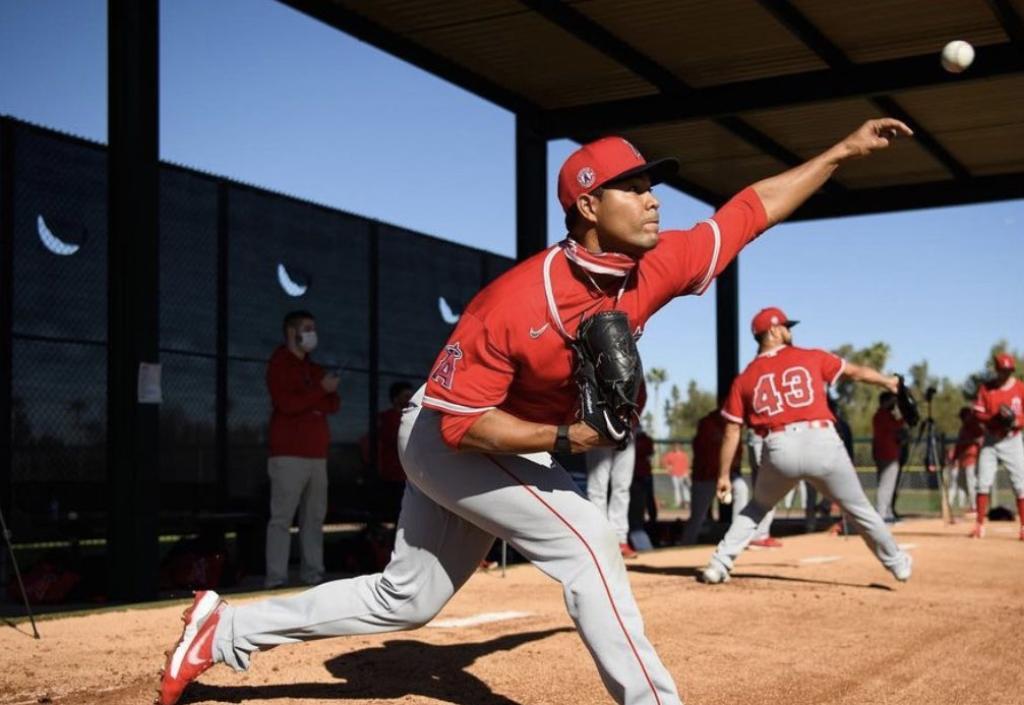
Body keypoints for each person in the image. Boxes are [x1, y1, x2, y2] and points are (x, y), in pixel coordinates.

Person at [156, 117, 913, 705]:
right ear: (587, 204)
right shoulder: (517, 303)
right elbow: (462, 424)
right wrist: (567, 435)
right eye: (633, 187)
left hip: (503, 439)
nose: (653, 198)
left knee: (405, 599)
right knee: (589, 540)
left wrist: (841, 150)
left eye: (651, 185)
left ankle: (225, 628)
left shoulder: (653, 265)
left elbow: (752, 210)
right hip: (447, 432)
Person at [698, 306, 913, 585]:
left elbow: (731, 430)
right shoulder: (810, 356)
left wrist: (724, 475)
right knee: (860, 509)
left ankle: (718, 565)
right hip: (821, 440)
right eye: (785, 326)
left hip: (778, 447)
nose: (789, 331)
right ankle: (898, 564)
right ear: (773, 331)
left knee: (757, 508)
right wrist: (889, 382)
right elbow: (856, 372)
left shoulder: (745, 378)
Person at [263, 310, 341, 589]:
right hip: (288, 455)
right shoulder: (279, 364)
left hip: (317, 455)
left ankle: (313, 574)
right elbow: (287, 404)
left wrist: (315, 394)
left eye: (313, 328)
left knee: (314, 519)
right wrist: (319, 392)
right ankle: (276, 578)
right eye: (307, 328)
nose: (312, 334)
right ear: (291, 332)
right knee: (282, 518)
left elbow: (333, 404)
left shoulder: (314, 368)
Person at [968, 352, 1024, 541]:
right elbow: (978, 413)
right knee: (983, 482)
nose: (1005, 373)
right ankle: (979, 525)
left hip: (1013, 440)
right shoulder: (987, 388)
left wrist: (1017, 421)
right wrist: (995, 418)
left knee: (1019, 484)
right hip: (991, 439)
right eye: (1002, 370)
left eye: (1008, 370)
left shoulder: (1023, 389)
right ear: (997, 370)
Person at [585, 386, 646, 558]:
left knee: (622, 486)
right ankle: (599, 540)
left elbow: (641, 393)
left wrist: (632, 420)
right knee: (597, 486)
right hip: (599, 426)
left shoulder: (635, 369)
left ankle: (620, 539)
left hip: (626, 427)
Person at [681, 408, 742, 545]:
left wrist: (731, 471)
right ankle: (686, 545)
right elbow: (701, 451)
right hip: (705, 477)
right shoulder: (707, 423)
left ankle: (738, 537)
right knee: (698, 517)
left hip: (725, 476)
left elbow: (738, 454)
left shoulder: (735, 424)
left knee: (741, 487)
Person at [360, 381, 414, 516]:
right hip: (391, 475)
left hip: (408, 475)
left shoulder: (413, 419)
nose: (410, 400)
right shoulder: (386, 418)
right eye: (406, 396)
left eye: (411, 396)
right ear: (395, 399)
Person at [872, 391, 908, 522]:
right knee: (886, 485)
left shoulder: (880, 415)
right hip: (888, 453)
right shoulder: (883, 415)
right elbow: (899, 426)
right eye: (892, 402)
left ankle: (887, 512)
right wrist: (900, 415)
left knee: (887, 484)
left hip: (884, 452)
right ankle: (882, 513)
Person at [946, 407, 983, 513]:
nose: (963, 419)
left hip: (972, 458)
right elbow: (959, 445)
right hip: (963, 459)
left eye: (964, 416)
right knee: (961, 483)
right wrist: (954, 458)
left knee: (972, 482)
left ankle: (975, 506)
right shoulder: (963, 429)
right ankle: (970, 504)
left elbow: (981, 440)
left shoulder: (975, 427)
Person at [627, 428, 657, 541]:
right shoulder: (628, 438)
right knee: (635, 506)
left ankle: (651, 527)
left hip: (644, 476)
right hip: (633, 477)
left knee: (648, 502)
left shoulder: (645, 439)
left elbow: (650, 451)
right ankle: (637, 528)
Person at [662, 443, 691, 509]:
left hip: (683, 474)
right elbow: (664, 461)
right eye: (675, 446)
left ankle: (687, 502)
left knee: (685, 488)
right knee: (676, 489)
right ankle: (678, 502)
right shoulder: (670, 454)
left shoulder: (684, 455)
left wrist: (687, 474)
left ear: (680, 447)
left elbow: (687, 464)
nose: (676, 448)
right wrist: (668, 467)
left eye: (678, 446)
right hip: (674, 474)